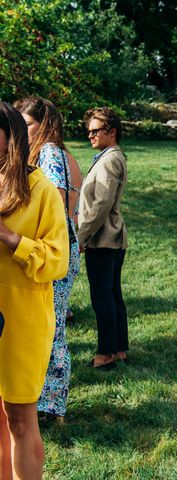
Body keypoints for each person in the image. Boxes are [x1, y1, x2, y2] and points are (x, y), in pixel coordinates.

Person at [0, 102, 69, 479]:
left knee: (20, 420)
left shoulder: (40, 188)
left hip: (21, 319)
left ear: (10, 137)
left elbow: (57, 260)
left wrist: (11, 238)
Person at [14, 96, 82, 423]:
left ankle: (51, 405)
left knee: (51, 326)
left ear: (45, 124)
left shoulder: (50, 153)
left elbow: (55, 204)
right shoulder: (35, 155)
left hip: (55, 249)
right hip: (46, 247)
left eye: (27, 124)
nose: (20, 130)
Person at [77, 107, 128, 370]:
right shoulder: (111, 156)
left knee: (102, 296)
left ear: (112, 131)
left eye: (96, 131)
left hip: (103, 238)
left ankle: (105, 353)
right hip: (112, 237)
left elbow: (101, 204)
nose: (90, 135)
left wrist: (81, 235)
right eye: (89, 132)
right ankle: (119, 349)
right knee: (112, 294)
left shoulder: (109, 160)